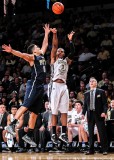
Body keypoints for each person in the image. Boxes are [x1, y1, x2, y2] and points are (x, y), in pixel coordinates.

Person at [2, 24, 50, 147]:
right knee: (26, 105)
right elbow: (22, 54)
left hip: (40, 87)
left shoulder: (41, 56)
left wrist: (46, 34)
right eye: (37, 47)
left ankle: (28, 135)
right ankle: (12, 124)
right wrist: (12, 51)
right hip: (33, 84)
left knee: (34, 113)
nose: (40, 47)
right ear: (34, 50)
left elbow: (45, 45)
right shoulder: (32, 57)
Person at [49, 28, 75, 144]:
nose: (59, 52)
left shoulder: (67, 61)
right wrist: (55, 34)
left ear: (64, 54)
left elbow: (73, 52)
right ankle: (54, 134)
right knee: (54, 111)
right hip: (54, 85)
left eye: (62, 51)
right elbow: (54, 47)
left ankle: (63, 133)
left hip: (64, 86)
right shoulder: (54, 59)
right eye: (58, 51)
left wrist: (70, 41)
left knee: (64, 111)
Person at [82, 77, 108, 155]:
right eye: (90, 81)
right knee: (90, 132)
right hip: (90, 115)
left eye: (93, 81)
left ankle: (104, 149)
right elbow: (85, 106)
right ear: (89, 84)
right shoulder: (86, 93)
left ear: (96, 83)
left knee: (101, 132)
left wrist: (104, 112)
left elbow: (105, 104)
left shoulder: (101, 92)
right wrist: (83, 114)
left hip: (99, 114)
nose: (91, 82)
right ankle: (91, 150)